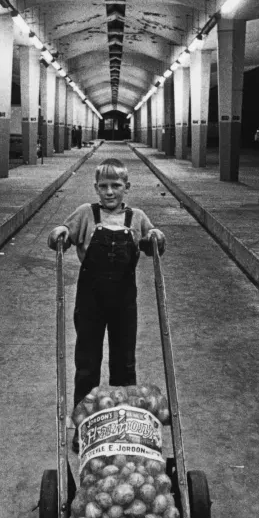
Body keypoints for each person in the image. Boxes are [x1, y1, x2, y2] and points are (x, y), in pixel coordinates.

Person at [48, 158, 166, 420]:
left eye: (116, 185)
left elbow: (154, 241)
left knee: (124, 362)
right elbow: (61, 234)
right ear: (96, 187)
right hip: (90, 299)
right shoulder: (85, 214)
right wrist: (59, 232)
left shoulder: (136, 218)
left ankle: (123, 419)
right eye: (104, 186)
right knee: (87, 362)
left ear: (127, 186)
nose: (110, 191)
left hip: (124, 301)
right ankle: (84, 419)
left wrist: (156, 237)